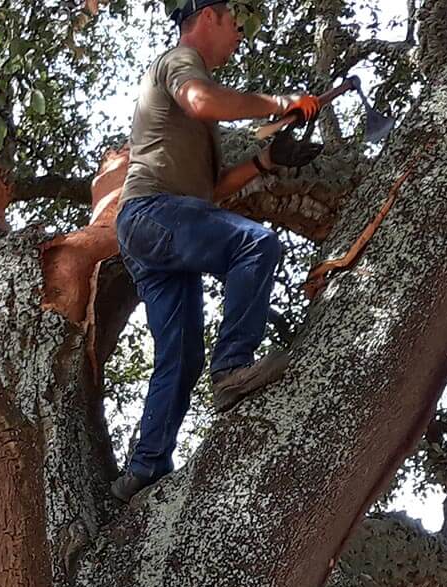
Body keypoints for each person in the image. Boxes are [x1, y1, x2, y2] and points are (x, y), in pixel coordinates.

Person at [111, 0, 320, 501]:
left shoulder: (194, 117)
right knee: (257, 244)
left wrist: (267, 160)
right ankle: (231, 368)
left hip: (153, 230)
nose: (240, 36)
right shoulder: (180, 63)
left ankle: (145, 468)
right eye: (236, 24)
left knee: (180, 357)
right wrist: (279, 102)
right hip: (151, 214)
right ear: (208, 16)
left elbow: (210, 192)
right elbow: (203, 101)